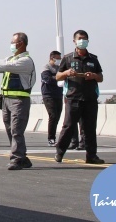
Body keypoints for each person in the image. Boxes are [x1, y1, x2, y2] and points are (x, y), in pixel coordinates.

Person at [0, 33, 36, 170]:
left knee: (16, 130)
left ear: (21, 43)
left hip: (19, 101)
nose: (11, 45)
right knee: (11, 129)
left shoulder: (25, 61)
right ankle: (22, 157)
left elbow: (5, 65)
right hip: (6, 100)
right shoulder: (11, 59)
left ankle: (16, 158)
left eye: (13, 42)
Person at [54, 30, 104, 164]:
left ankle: (91, 155)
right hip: (73, 98)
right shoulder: (68, 58)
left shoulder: (93, 59)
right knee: (69, 126)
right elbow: (58, 76)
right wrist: (66, 73)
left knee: (89, 128)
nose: (82, 41)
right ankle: (60, 152)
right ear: (74, 41)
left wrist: (93, 76)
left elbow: (100, 77)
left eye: (85, 38)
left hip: (90, 99)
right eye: (80, 38)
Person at [40, 51, 63, 146]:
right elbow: (48, 79)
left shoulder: (60, 68)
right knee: (53, 115)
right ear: (52, 58)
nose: (58, 60)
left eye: (59, 58)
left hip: (58, 95)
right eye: (57, 58)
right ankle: (51, 139)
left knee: (57, 116)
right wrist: (58, 78)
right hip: (48, 95)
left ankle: (55, 137)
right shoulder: (46, 67)